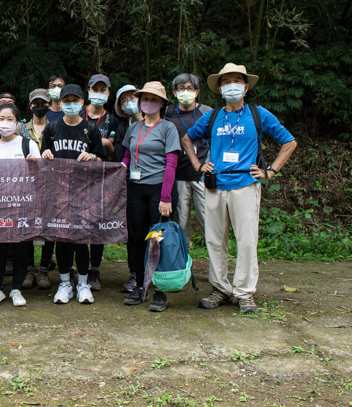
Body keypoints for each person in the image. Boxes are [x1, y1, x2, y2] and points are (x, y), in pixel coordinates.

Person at [182, 63, 297, 314]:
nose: (231, 85)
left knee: (246, 241)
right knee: (214, 240)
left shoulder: (258, 114)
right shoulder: (212, 116)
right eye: (225, 81)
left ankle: (244, 292)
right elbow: (187, 138)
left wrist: (271, 171)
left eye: (236, 80)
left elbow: (289, 141)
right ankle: (220, 288)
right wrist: (197, 164)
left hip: (245, 184)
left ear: (245, 87)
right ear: (220, 88)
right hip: (215, 185)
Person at [41, 83, 106, 305]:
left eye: (74, 101)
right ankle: (64, 283)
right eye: (66, 101)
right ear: (60, 102)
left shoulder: (91, 129)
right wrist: (45, 153)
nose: (70, 105)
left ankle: (83, 283)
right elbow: (44, 157)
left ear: (82, 103)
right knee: (62, 238)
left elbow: (103, 159)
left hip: (84, 192)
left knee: (81, 237)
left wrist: (94, 158)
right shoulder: (52, 128)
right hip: (58, 192)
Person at [120, 82, 181, 312]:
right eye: (145, 98)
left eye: (154, 99)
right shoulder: (134, 127)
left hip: (159, 190)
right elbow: (127, 155)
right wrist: (120, 170)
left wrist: (166, 197)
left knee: (157, 239)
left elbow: (172, 163)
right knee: (136, 239)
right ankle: (139, 285)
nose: (148, 103)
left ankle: (160, 290)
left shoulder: (168, 128)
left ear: (162, 103)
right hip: (136, 188)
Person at [0, 104, 40, 307]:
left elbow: (39, 177)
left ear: (17, 123)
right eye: (1, 119)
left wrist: (34, 165)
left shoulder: (28, 145)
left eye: (10, 119)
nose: (5, 123)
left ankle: (16, 289)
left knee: (22, 248)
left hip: (23, 206)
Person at [166, 74, 212, 250]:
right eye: (181, 88)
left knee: (207, 217)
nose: (185, 92)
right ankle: (182, 259)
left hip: (202, 173)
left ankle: (215, 260)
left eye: (190, 88)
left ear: (197, 92)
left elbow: (215, 140)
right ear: (175, 92)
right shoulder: (169, 113)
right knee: (181, 219)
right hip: (178, 174)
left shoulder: (207, 112)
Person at [84, 74, 121, 292]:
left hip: (100, 178)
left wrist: (105, 143)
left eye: (103, 89)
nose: (98, 93)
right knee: (76, 221)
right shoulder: (78, 112)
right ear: (88, 91)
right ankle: (75, 268)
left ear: (108, 93)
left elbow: (116, 153)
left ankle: (94, 269)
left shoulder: (112, 120)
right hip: (76, 178)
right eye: (94, 89)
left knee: (97, 224)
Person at [114, 84, 143, 293]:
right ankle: (135, 275)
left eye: (132, 97)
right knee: (133, 233)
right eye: (123, 101)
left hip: (156, 184)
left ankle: (159, 273)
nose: (129, 103)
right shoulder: (123, 127)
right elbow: (121, 154)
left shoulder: (163, 124)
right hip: (130, 184)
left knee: (155, 231)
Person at [24, 88, 54, 291]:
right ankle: (27, 269)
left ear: (49, 105)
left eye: (43, 102)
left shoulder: (57, 127)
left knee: (49, 225)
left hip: (52, 184)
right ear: (30, 106)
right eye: (35, 103)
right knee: (26, 224)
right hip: (26, 184)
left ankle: (44, 269)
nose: (39, 106)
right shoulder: (20, 129)